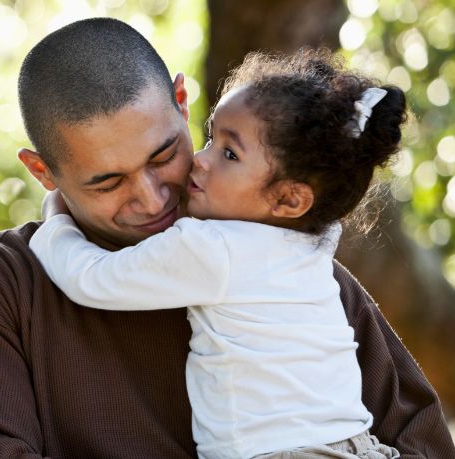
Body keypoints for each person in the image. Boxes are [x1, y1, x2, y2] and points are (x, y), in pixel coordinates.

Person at [0, 18, 455, 458]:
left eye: (164, 155)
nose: (152, 198)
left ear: (184, 105)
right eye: (108, 183)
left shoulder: (290, 268)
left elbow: (421, 440)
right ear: (43, 172)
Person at [28, 49, 404, 459]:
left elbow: (92, 278)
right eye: (211, 139)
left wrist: (55, 222)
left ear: (290, 199)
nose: (201, 161)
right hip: (356, 444)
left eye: (229, 154)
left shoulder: (210, 248)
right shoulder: (315, 242)